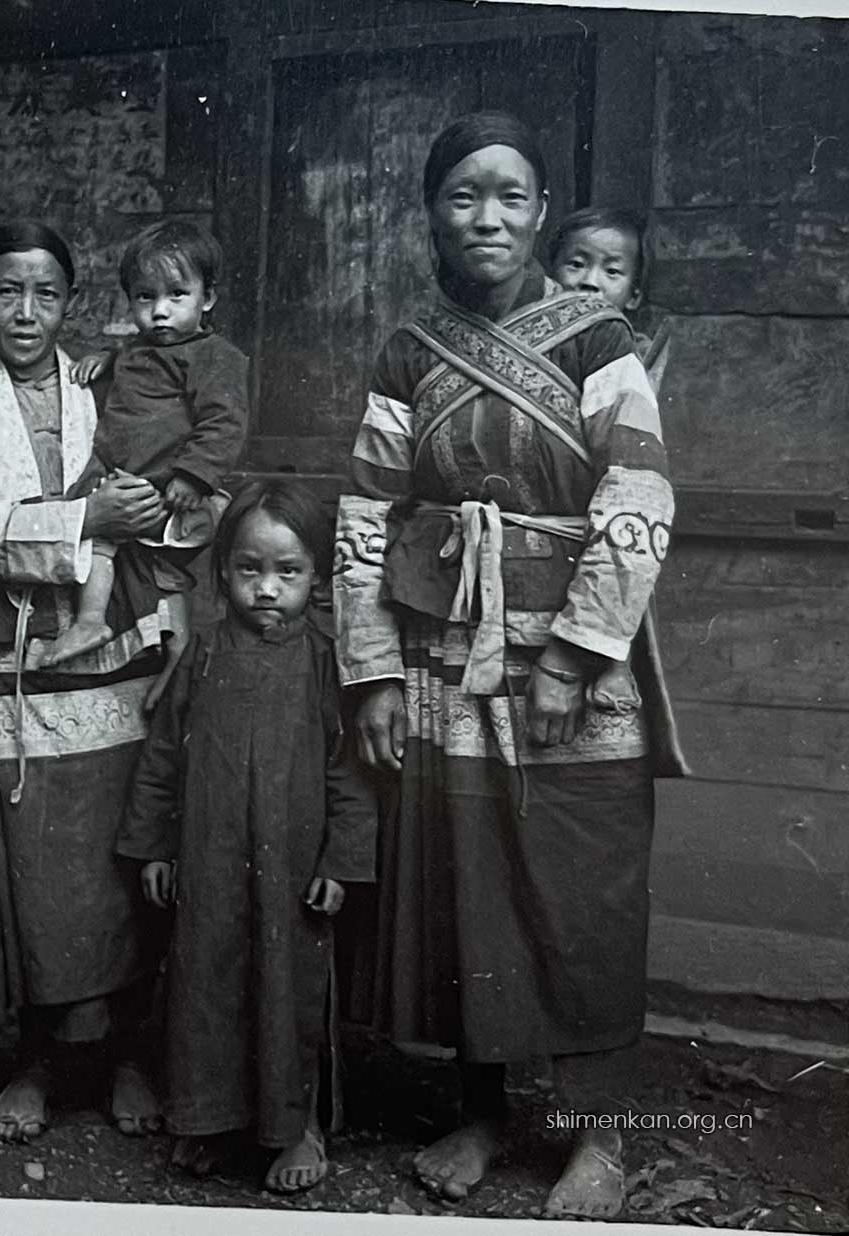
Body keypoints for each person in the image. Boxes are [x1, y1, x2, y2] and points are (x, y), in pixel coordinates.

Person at [333, 113, 687, 1220]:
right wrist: (372, 669)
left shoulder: (597, 337)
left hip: (572, 656)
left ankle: (599, 1138)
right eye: (464, 195)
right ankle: (482, 1111)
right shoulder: (409, 347)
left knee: (584, 886)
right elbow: (368, 508)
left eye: (512, 197)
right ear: (432, 212)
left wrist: (576, 656)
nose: (487, 217)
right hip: (443, 653)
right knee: (466, 882)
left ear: (539, 215)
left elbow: (639, 492)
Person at [0, 219, 173, 1144]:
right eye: (7, 291)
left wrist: (141, 514)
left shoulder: (108, 385)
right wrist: (81, 517)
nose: (26, 312)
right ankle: (38, 1061)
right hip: (8, 649)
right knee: (27, 858)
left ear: (69, 303)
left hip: (116, 643)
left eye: (46, 294)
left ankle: (127, 1052)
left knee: (122, 847)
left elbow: (165, 479)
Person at [117, 480, 377, 1194]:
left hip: (293, 870)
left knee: (289, 990)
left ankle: (298, 1127)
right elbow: (163, 756)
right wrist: (156, 847)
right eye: (248, 569)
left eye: (287, 572)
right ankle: (211, 1121)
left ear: (316, 575)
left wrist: (341, 861)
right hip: (209, 861)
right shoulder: (203, 653)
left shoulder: (325, 661)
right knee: (207, 984)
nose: (266, 589)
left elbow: (349, 774)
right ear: (223, 570)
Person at [34, 220, 249, 712]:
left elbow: (225, 422)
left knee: (106, 541)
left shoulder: (215, 357)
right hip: (130, 482)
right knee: (153, 575)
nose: (160, 310)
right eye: (145, 297)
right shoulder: (140, 349)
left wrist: (193, 475)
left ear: (208, 298)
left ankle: (91, 622)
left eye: (177, 294)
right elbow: (140, 365)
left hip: (171, 491)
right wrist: (106, 358)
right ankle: (173, 651)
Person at [549, 205, 672, 393]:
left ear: (634, 296)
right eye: (576, 264)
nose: (590, 282)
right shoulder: (533, 338)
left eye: (612, 271)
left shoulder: (631, 359)